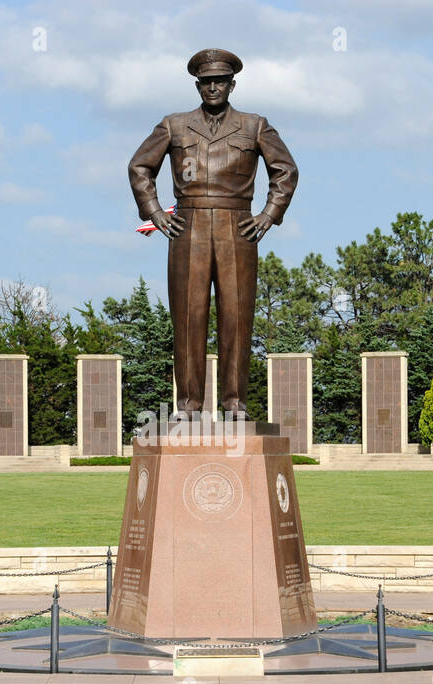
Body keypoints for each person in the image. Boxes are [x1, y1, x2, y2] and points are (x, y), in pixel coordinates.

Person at [128, 48, 298, 420]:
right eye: (206, 82)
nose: (213, 87)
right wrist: (155, 212)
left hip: (237, 228)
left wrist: (269, 214)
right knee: (189, 318)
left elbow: (285, 170)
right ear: (198, 85)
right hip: (187, 228)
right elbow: (140, 167)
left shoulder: (255, 126)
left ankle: (235, 403)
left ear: (232, 84)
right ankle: (188, 405)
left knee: (236, 318)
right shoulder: (174, 125)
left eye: (220, 81)